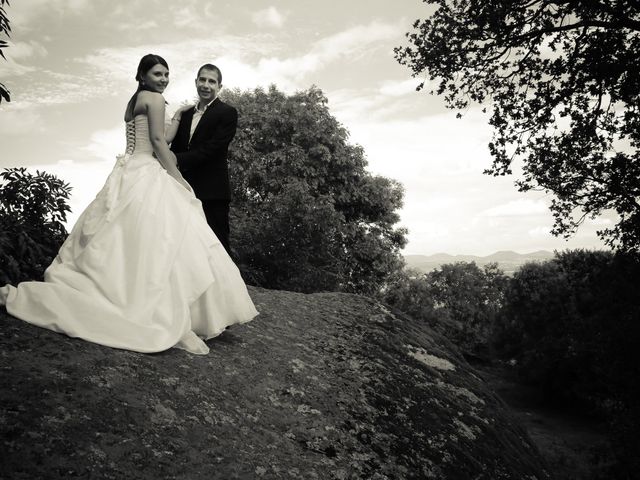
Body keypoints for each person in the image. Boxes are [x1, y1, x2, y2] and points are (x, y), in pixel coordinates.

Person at [0, 54, 258, 355]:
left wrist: (175, 119)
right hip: (146, 171)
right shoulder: (156, 100)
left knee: (125, 236)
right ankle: (151, 301)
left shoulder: (135, 99)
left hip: (128, 170)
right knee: (160, 239)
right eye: (158, 74)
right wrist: (178, 178)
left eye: (167, 74)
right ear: (143, 75)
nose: (163, 79)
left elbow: (153, 135)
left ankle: (117, 289)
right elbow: (160, 144)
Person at [169, 64, 236, 255]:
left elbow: (213, 149)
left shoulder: (227, 112)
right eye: (202, 80)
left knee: (218, 246)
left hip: (212, 192)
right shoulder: (185, 114)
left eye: (211, 81)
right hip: (183, 190)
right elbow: (176, 146)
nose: (206, 85)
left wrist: (176, 159)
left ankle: (227, 286)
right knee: (184, 246)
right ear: (196, 82)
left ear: (219, 87)